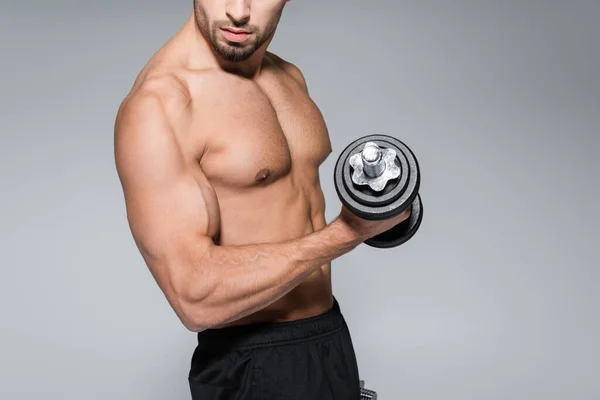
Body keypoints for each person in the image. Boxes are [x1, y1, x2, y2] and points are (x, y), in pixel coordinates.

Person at [114, 1, 410, 398]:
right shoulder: (161, 104)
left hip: (330, 338)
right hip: (251, 363)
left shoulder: (289, 77)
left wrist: (380, 208)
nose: (239, 11)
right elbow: (193, 295)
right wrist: (347, 232)